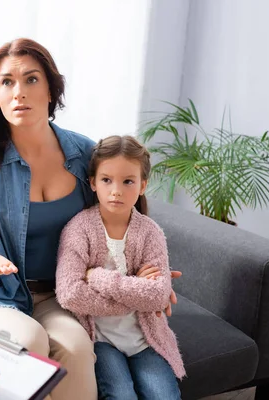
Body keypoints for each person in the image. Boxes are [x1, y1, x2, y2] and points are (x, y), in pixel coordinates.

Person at [0, 38, 180, 400]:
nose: (19, 92)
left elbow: (122, 214)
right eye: (7, 82)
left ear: (51, 90)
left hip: (58, 294)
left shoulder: (84, 154)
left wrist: (148, 279)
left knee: (79, 349)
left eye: (31, 79)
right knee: (28, 339)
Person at [55, 135, 185, 400]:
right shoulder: (78, 229)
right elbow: (69, 293)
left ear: (142, 185)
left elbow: (158, 295)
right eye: (106, 180)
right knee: (122, 395)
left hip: (145, 341)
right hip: (101, 342)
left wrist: (97, 277)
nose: (116, 190)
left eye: (128, 181)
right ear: (92, 182)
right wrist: (134, 293)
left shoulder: (150, 233)